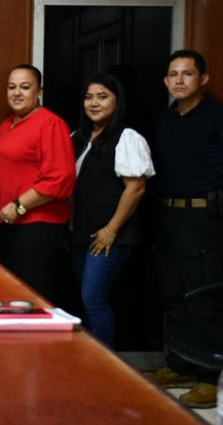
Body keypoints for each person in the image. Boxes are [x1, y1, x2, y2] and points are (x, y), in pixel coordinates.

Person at [148, 50, 223, 408]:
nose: (178, 80)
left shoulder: (222, 118)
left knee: (205, 297)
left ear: (202, 80)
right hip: (168, 218)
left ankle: (212, 377)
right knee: (173, 295)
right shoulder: (166, 119)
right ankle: (181, 366)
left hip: (205, 220)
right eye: (172, 74)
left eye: (187, 74)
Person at [70, 73, 155, 348]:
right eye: (88, 97)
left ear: (117, 102)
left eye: (102, 96)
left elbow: (136, 189)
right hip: (80, 233)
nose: (94, 103)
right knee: (84, 298)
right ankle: (91, 359)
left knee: (93, 298)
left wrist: (111, 230)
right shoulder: (77, 138)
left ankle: (108, 365)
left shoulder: (127, 137)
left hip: (111, 234)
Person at [0, 64, 75, 300]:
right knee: (10, 294)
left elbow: (60, 179)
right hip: (10, 223)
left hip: (37, 225)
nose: (17, 92)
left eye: (25, 87)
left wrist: (18, 206)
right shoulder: (6, 125)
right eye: (12, 87)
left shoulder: (51, 124)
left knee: (31, 298)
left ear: (39, 91)